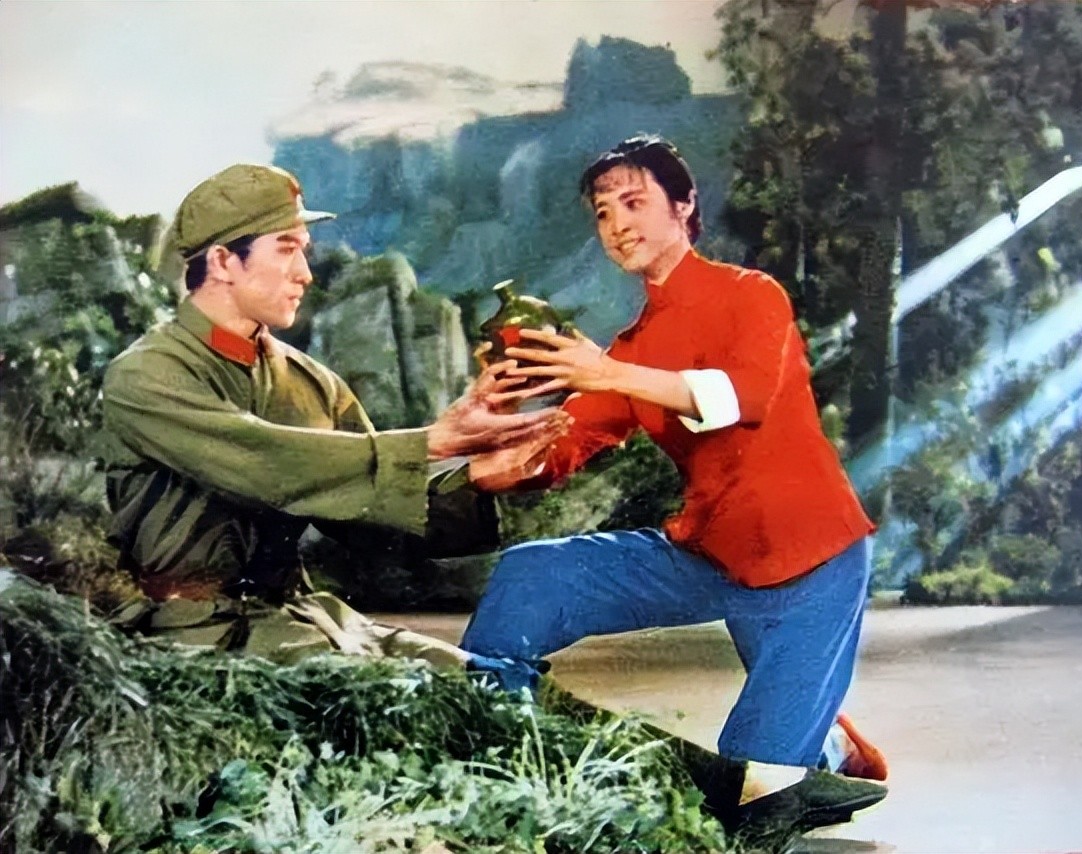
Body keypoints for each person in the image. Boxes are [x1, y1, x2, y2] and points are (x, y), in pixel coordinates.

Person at [461, 135, 889, 822]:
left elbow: (743, 396)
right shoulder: (632, 347)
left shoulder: (752, 296)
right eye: (603, 213)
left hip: (812, 564)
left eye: (633, 202)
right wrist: (492, 442)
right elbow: (560, 448)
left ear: (684, 206)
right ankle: (498, 754)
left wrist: (607, 373)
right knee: (529, 575)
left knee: (751, 796)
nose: (616, 224)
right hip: (709, 554)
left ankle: (826, 747)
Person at [99, 163, 565, 688]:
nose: (305, 273)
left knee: (495, 681)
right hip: (190, 634)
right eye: (286, 249)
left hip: (302, 618)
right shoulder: (145, 375)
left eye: (303, 250)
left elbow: (371, 526)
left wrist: (479, 477)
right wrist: (429, 443)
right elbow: (263, 462)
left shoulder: (313, 383)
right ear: (224, 261)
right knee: (417, 694)